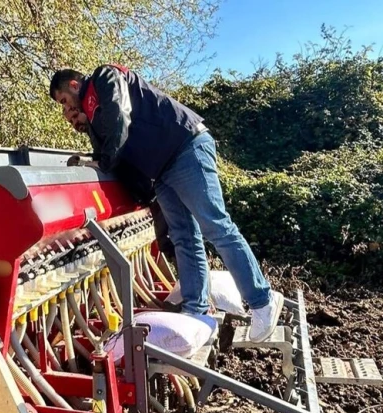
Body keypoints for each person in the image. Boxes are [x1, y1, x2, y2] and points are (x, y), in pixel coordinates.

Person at [49, 65, 283, 342]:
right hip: (160, 169)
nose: (66, 108)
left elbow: (119, 117)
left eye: (64, 100)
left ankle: (262, 301)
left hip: (184, 148)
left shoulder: (105, 78)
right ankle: (195, 311)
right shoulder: (92, 114)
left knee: (216, 226)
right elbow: (106, 153)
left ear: (74, 85)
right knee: (184, 237)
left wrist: (104, 160)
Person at [62, 109, 175, 261]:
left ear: (84, 110)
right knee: (170, 242)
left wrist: (90, 162)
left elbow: (114, 154)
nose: (75, 123)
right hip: (147, 193)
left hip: (155, 188)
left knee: (172, 241)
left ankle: (189, 282)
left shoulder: (104, 123)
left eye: (75, 116)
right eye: (71, 122)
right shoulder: (96, 131)